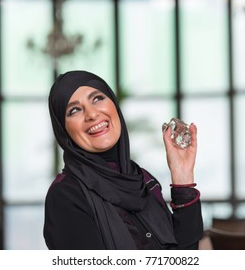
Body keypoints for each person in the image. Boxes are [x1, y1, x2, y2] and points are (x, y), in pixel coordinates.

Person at [44, 70, 203, 250]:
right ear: (64, 130)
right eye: (74, 110)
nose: (92, 114)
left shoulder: (143, 180)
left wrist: (182, 177)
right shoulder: (66, 196)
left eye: (97, 99)